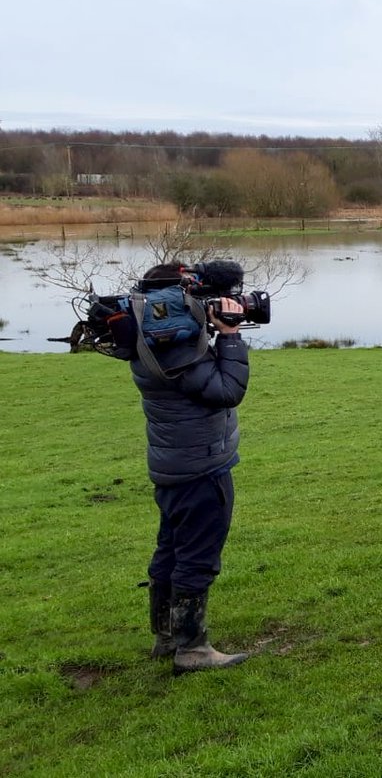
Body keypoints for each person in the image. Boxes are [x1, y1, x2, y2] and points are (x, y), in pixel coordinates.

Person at [134, 262, 252, 673]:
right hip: (201, 466)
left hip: (174, 463)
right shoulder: (176, 345)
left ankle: (166, 637)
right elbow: (226, 390)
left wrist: (210, 330)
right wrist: (231, 337)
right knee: (196, 556)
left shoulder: (153, 335)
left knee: (171, 549)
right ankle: (192, 648)